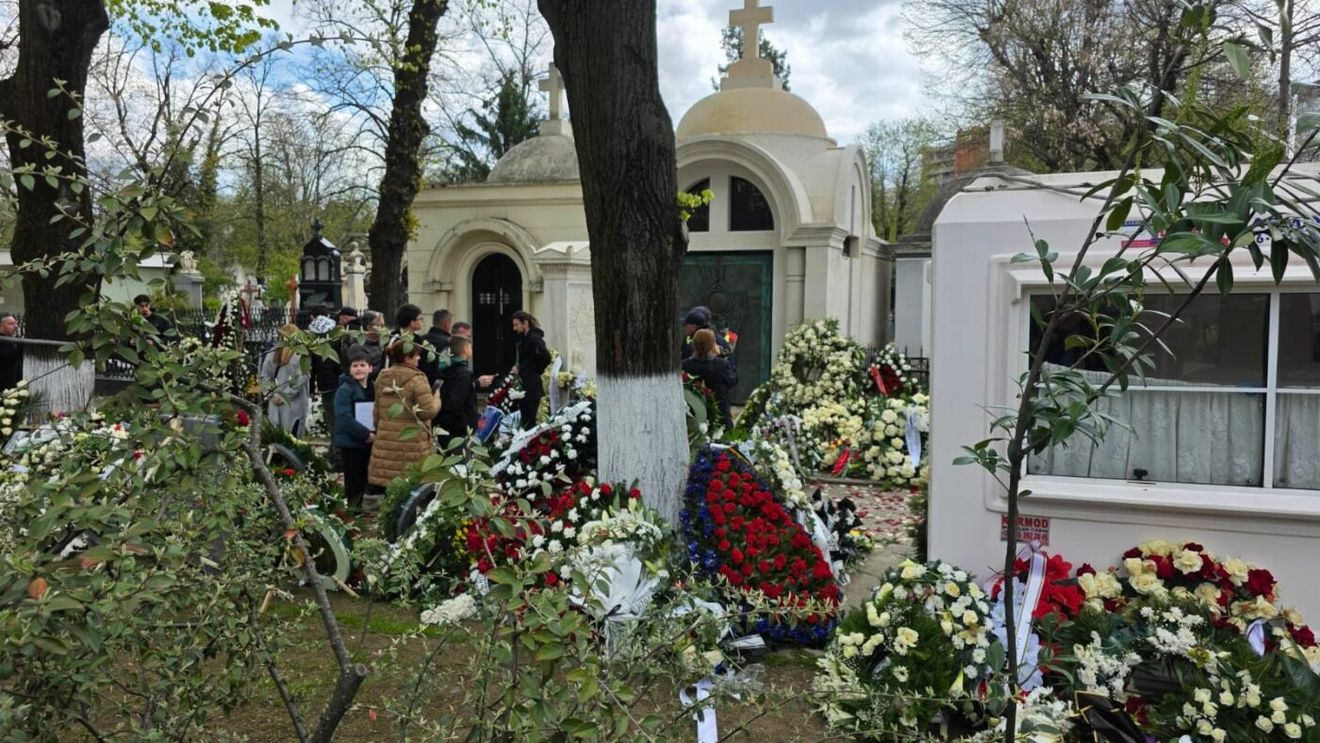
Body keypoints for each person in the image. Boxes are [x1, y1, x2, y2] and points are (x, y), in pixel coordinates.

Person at [368, 335, 441, 490]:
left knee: (389, 490)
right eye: (416, 355)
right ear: (408, 358)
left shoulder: (382, 376)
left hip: (386, 442)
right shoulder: (418, 379)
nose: (419, 358)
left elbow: (377, 412)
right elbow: (427, 412)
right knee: (410, 488)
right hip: (412, 442)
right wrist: (437, 399)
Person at [333, 346, 376, 509]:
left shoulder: (373, 388)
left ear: (370, 368)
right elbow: (344, 419)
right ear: (349, 369)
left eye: (362, 365)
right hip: (352, 443)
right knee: (354, 482)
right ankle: (353, 514)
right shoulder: (344, 390)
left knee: (366, 478)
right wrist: (366, 434)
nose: (359, 369)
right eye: (355, 366)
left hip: (368, 441)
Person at [259, 323, 311, 436]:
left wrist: (271, 393)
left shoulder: (272, 353)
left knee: (276, 436)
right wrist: (284, 394)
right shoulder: (301, 355)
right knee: (293, 438)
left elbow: (265, 376)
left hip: (276, 402)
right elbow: (302, 377)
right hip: (294, 404)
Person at [682, 328, 736, 429]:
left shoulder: (685, 365)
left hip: (694, 415)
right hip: (720, 415)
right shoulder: (720, 364)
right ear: (712, 345)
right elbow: (732, 381)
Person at [308, 307, 342, 462]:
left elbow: (312, 368)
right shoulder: (336, 338)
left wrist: (311, 388)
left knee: (333, 419)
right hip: (337, 383)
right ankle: (336, 451)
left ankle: (336, 452)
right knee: (336, 419)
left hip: (326, 385)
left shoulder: (314, 341)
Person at [435, 335, 479, 446]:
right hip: (460, 428)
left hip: (446, 426)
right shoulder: (463, 373)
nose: (471, 349)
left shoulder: (446, 367)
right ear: (465, 350)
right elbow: (455, 402)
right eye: (470, 347)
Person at [511, 310, 550, 429]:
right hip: (526, 385)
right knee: (525, 420)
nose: (514, 328)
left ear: (525, 323)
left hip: (531, 386)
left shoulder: (534, 338)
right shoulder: (525, 338)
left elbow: (546, 357)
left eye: (517, 324)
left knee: (529, 421)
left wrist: (534, 370)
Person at [421, 308, 452, 388]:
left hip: (422, 384)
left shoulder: (420, 340)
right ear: (446, 324)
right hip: (441, 386)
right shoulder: (449, 343)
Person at [0, 312, 22, 392]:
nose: (16, 326)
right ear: (1, 326)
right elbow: (7, 358)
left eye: (16, 323)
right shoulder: (2, 341)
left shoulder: (12, 340)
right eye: (11, 324)